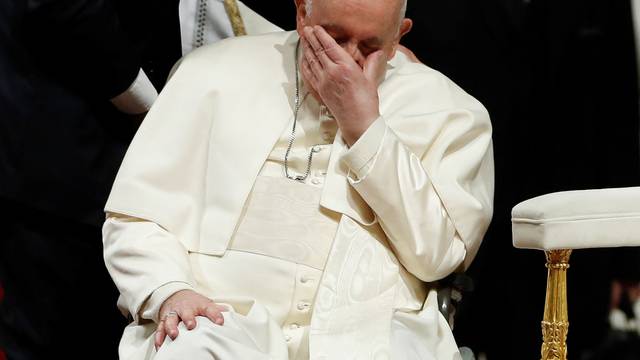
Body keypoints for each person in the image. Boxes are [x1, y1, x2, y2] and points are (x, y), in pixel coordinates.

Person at [102, 0, 494, 358]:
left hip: (374, 331)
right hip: (217, 323)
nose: (348, 61)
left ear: (398, 38)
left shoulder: (451, 112)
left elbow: (439, 256)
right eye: (334, 38)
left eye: (371, 46)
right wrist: (169, 289)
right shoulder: (210, 73)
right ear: (302, 14)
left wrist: (365, 127)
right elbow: (137, 216)